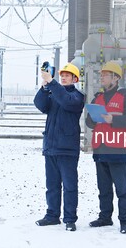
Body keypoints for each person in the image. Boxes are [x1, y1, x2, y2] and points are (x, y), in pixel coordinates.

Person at [85, 61, 126, 234]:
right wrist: (93, 118)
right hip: (101, 150)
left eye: (105, 75)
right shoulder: (98, 98)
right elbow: (88, 122)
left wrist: (112, 120)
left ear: (115, 78)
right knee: (104, 188)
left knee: (122, 189)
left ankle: (124, 221)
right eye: (101, 74)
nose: (101, 77)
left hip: (118, 151)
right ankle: (105, 217)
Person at [34, 62, 84, 232]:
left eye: (67, 75)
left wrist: (53, 84)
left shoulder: (77, 97)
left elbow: (66, 101)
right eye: (61, 75)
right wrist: (44, 87)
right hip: (51, 147)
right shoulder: (54, 93)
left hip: (68, 150)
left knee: (70, 187)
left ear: (74, 79)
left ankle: (69, 219)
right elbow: (40, 105)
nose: (63, 77)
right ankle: (52, 215)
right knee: (52, 186)